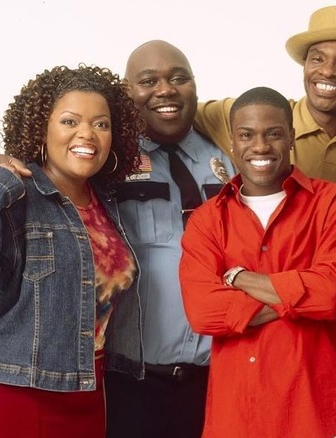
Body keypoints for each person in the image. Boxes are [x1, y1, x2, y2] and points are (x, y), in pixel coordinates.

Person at [192, 3, 336, 399]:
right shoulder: (258, 118)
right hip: (253, 320)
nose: (328, 71)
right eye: (318, 58)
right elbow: (165, 105)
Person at [0, 64, 143, 438]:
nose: (87, 134)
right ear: (41, 130)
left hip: (84, 391)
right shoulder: (13, 192)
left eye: (101, 124)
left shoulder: (109, 204)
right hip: (1, 388)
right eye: (70, 121)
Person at [179, 86, 336, 437]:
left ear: (292, 137)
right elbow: (203, 312)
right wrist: (300, 297)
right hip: (237, 419)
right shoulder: (207, 221)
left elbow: (329, 295)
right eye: (247, 135)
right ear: (232, 143)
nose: (261, 147)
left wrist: (237, 278)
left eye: (274, 134)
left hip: (322, 414)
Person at [103, 40, 235, 438]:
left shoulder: (229, 155)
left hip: (220, 381)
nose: (165, 90)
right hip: (133, 386)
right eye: (149, 81)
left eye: (179, 78)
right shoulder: (107, 159)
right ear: (126, 93)